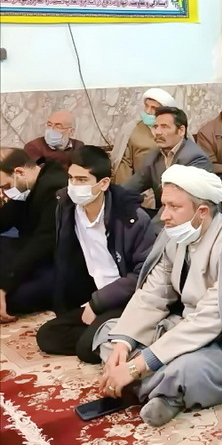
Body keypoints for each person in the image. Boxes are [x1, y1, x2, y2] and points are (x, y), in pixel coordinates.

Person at [92, 164, 222, 427]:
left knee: (187, 370)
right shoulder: (176, 235)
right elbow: (154, 294)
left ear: (202, 211)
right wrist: (124, 344)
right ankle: (163, 391)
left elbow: (210, 320)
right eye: (164, 205)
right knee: (111, 334)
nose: (164, 216)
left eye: (174, 207)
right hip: (186, 326)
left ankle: (160, 388)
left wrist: (137, 366)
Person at [34, 146, 155, 363]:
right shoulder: (66, 207)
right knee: (47, 336)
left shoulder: (132, 218)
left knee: (85, 349)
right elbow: (64, 257)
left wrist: (97, 303)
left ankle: (129, 336)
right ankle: (115, 336)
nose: (74, 186)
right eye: (71, 178)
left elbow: (143, 274)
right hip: (94, 292)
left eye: (82, 180)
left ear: (104, 183)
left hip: (126, 298)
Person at [0, 149, 67, 322]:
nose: (5, 193)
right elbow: (5, 219)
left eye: (6, 186)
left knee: (14, 299)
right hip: (35, 253)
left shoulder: (55, 188)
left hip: (58, 262)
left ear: (19, 172)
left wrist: (5, 285)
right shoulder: (28, 187)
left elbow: (43, 242)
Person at [123, 106, 212, 227]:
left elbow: (177, 202)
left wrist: (148, 232)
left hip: (189, 222)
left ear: (181, 131)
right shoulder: (155, 155)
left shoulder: (195, 158)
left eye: (164, 127)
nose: (158, 132)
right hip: (164, 215)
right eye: (156, 127)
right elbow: (131, 187)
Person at [114, 88, 177, 185]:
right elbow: (124, 165)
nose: (148, 111)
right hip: (141, 188)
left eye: (154, 108)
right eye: (146, 106)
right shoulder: (131, 129)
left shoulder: (177, 130)